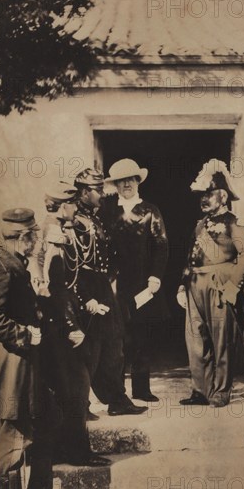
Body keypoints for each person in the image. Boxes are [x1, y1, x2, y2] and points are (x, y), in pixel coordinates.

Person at [0, 208, 62, 489]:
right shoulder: (0, 266)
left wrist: (38, 304)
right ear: (23, 238)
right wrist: (25, 334)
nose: (36, 241)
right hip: (9, 361)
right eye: (33, 236)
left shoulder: (15, 262)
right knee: (13, 432)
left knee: (45, 419)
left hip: (23, 360)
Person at [39, 183, 110, 466]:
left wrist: (86, 303)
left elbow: (70, 280)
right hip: (58, 325)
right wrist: (70, 324)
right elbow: (54, 286)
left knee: (67, 390)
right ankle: (77, 453)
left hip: (63, 318)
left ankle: (62, 450)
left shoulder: (60, 230)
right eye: (71, 205)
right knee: (76, 388)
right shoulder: (54, 234)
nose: (74, 209)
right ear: (64, 206)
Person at [177, 159, 244, 407]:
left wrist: (234, 286)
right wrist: (182, 285)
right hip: (195, 285)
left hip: (220, 285)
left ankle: (221, 391)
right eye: (202, 194)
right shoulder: (200, 224)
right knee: (196, 339)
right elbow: (190, 256)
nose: (204, 199)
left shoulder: (235, 223)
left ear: (222, 196)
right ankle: (200, 390)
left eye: (208, 194)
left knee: (222, 340)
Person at [72, 168, 147, 416]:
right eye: (97, 190)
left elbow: (107, 253)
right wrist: (86, 297)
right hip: (86, 286)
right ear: (84, 193)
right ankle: (79, 405)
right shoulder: (74, 220)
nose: (102, 194)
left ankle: (117, 400)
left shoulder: (95, 218)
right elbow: (73, 265)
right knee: (91, 348)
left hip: (102, 284)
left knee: (114, 343)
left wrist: (110, 278)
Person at [100, 158, 169, 402]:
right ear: (116, 185)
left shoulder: (150, 210)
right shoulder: (106, 210)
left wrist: (155, 278)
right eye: (122, 180)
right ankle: (116, 391)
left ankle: (141, 389)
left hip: (142, 283)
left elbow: (161, 246)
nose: (127, 184)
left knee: (141, 335)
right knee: (116, 337)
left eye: (131, 179)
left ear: (138, 182)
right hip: (115, 284)